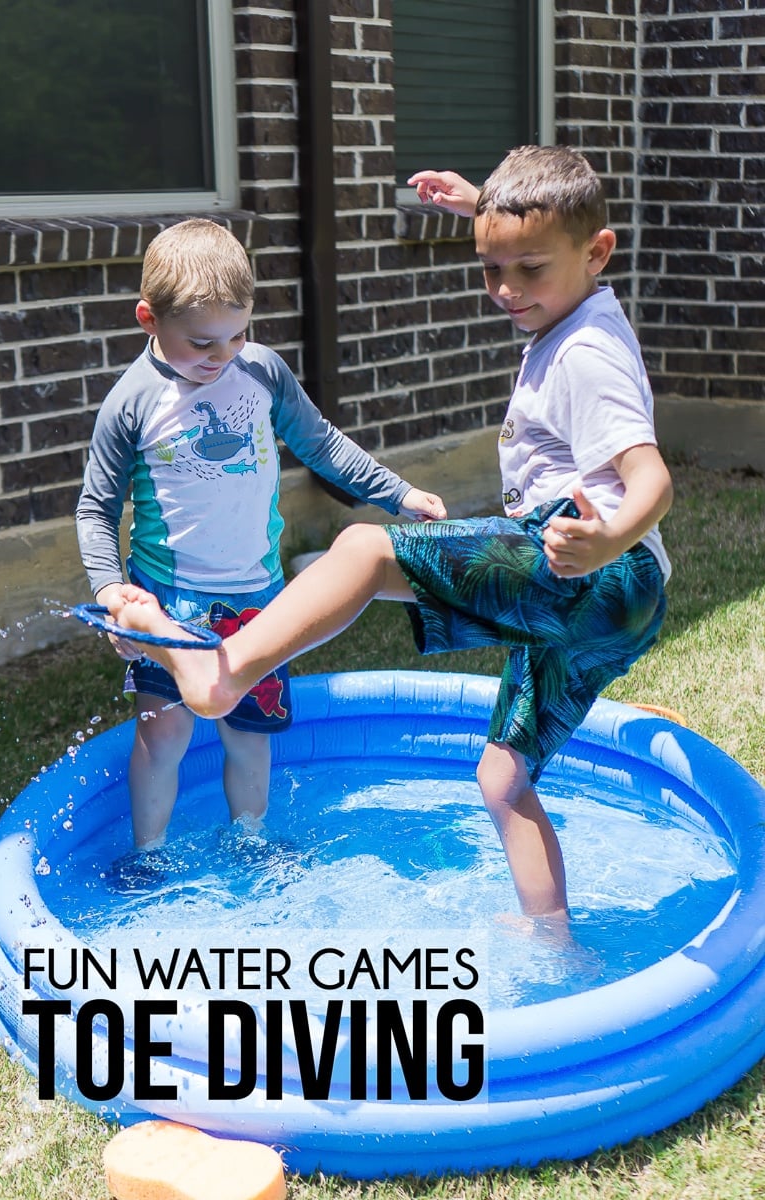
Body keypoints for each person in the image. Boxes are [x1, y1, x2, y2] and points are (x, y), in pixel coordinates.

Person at [103, 147, 673, 919]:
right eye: (490, 266)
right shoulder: (577, 302)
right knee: (503, 778)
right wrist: (484, 207)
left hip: (600, 567)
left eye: (526, 269)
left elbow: (653, 482)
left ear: (596, 252)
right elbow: (547, 239)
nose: (506, 289)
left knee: (366, 551)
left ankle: (223, 672)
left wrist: (607, 543)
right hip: (618, 604)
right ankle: (554, 946)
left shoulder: (588, 351)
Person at [75, 218, 446, 878]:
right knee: (164, 733)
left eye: (238, 332)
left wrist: (397, 493)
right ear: (147, 319)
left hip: (257, 599)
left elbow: (321, 444)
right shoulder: (132, 404)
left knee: (250, 735)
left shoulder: (261, 374)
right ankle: (150, 855)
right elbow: (96, 508)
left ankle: (249, 838)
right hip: (168, 602)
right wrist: (110, 592)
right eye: (201, 341)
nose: (222, 354)